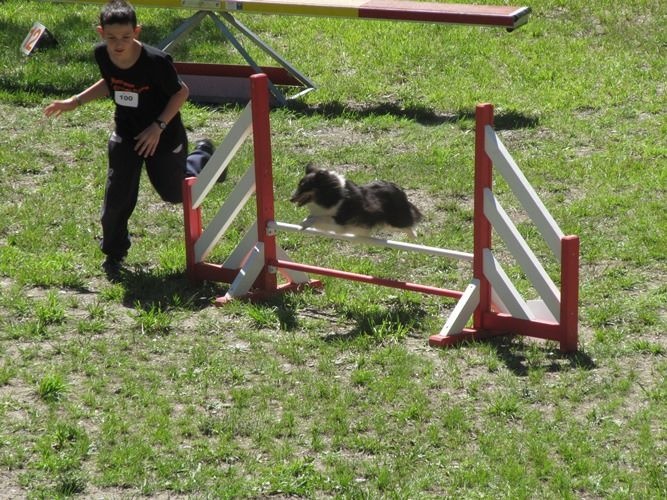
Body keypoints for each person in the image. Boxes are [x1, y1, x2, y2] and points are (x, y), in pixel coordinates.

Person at [44, 0, 221, 278]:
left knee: (174, 194)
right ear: (100, 32)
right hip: (127, 133)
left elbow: (181, 92)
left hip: (163, 135)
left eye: (126, 37)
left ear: (136, 31)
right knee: (117, 195)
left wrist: (158, 126)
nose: (118, 44)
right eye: (112, 37)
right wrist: (74, 101)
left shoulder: (156, 61)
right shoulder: (102, 54)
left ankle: (205, 156)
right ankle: (114, 253)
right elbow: (110, 83)